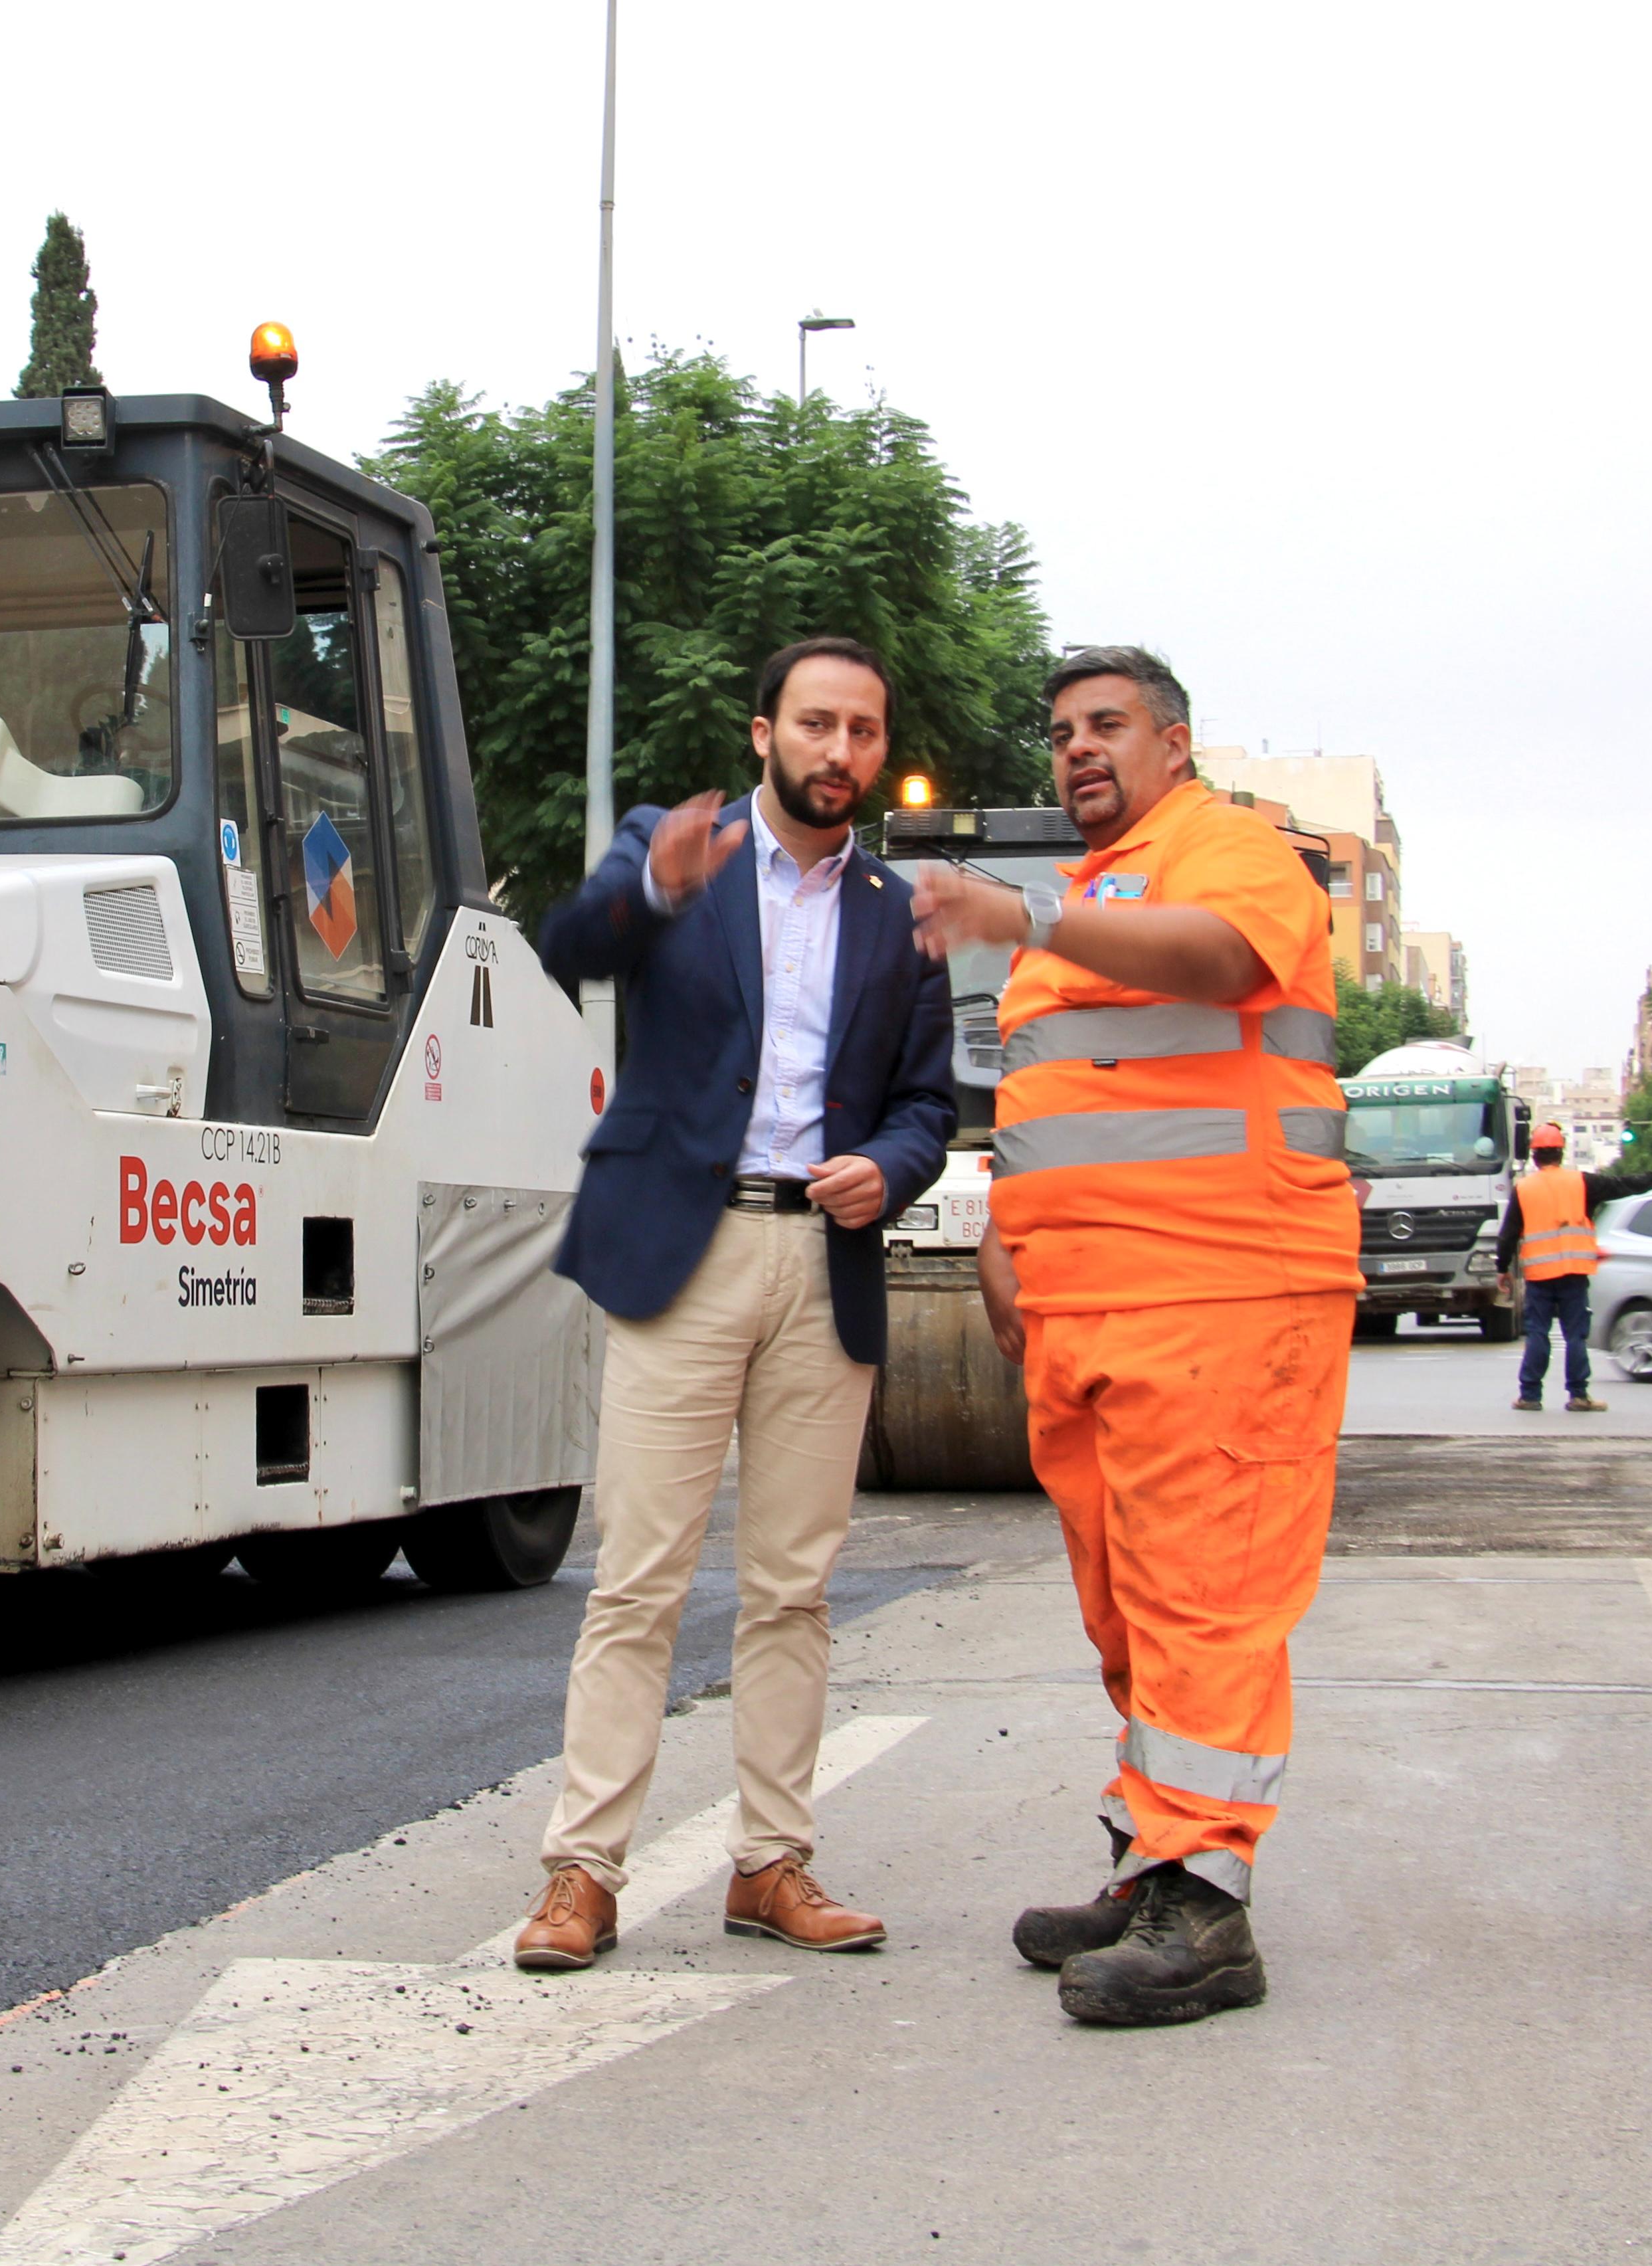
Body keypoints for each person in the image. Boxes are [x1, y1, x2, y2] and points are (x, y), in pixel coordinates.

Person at [909, 644, 1356, 2027]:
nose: (1076, 749)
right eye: (1058, 733)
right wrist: (1000, 1234)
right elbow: (1050, 1098)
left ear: (1172, 741)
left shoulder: (1227, 853)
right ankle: (1149, 1852)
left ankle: (1204, 1913)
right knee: (1127, 1604)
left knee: (1203, 1599)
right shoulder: (1088, 895)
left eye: (1104, 725)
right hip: (1088, 1303)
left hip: (1222, 1288)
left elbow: (1220, 962)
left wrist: (1019, 912)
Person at [514, 634, 956, 1972]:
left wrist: (885, 1166)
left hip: (820, 1259)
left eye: (862, 731)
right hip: (684, 1250)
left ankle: (770, 1862)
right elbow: (564, 949)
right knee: (636, 1580)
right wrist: (648, 887)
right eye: (815, 724)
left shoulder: (896, 908)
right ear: (761, 730)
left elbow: (930, 1100)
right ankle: (581, 1873)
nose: (839, 752)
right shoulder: (676, 847)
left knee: (791, 1588)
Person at [1496, 1123, 1652, 1412]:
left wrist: (1502, 1268)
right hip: (1575, 1272)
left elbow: (1508, 1233)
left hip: (1540, 1276)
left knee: (1538, 1333)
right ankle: (1578, 1395)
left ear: (1534, 1157)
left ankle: (1530, 1395)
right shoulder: (1582, 1183)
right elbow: (1623, 1185)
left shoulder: (1524, 1190)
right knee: (1575, 1335)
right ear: (1561, 1152)